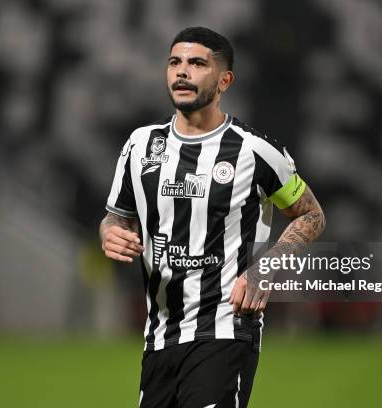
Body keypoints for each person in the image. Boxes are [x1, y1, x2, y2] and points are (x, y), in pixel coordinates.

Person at [100, 26, 325, 408]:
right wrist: (111, 233)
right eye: (175, 62)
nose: (182, 71)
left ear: (224, 80)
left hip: (225, 330)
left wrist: (265, 268)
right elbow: (117, 219)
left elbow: (311, 216)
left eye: (197, 63)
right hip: (160, 337)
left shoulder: (254, 151)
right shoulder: (141, 145)